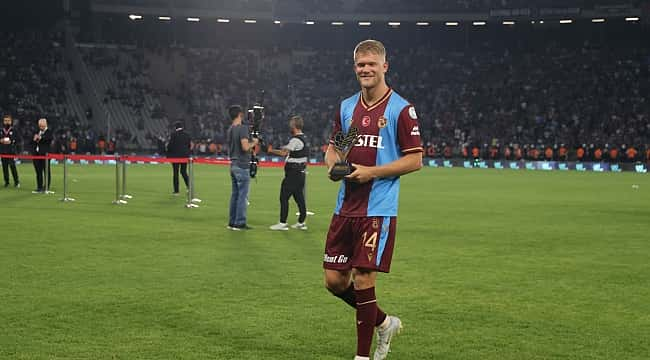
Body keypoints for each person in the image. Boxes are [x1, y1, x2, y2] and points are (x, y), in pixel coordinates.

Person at [323, 40, 423, 360]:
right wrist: (334, 167)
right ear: (355, 69)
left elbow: (415, 159)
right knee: (335, 282)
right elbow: (337, 148)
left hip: (377, 209)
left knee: (364, 278)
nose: (366, 69)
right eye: (360, 65)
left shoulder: (400, 109)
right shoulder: (349, 108)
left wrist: (373, 173)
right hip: (345, 207)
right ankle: (383, 322)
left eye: (371, 64)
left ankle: (363, 356)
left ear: (384, 66)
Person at [268, 115, 309, 231]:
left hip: (293, 173)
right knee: (299, 197)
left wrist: (271, 151)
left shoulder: (295, 140)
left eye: (291, 124)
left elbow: (283, 153)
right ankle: (301, 222)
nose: (289, 126)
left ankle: (282, 223)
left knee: (284, 197)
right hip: (301, 173)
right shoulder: (304, 138)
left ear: (294, 126)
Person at [226, 105, 258, 231]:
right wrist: (254, 142)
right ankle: (239, 222)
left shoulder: (230, 129)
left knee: (235, 195)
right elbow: (245, 147)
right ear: (240, 114)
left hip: (233, 164)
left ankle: (232, 222)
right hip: (242, 165)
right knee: (242, 195)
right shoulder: (243, 129)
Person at [166, 121, 191, 195]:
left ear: (175, 127)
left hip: (175, 157)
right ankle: (189, 187)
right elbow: (188, 146)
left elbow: (170, 145)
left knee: (175, 173)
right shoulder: (187, 135)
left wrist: (168, 153)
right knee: (183, 172)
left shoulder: (173, 135)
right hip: (184, 156)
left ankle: (176, 191)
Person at [32, 118, 53, 193]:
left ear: (46, 124)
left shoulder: (49, 132)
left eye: (42, 126)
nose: (41, 127)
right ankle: (39, 187)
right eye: (40, 126)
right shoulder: (36, 131)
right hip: (36, 154)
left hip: (45, 155)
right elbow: (31, 141)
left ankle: (46, 186)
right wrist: (33, 139)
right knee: (38, 171)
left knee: (46, 171)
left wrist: (40, 137)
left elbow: (49, 139)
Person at [1, 114, 20, 188]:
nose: (7, 122)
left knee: (12, 166)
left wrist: (12, 141)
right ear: (3, 121)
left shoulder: (14, 130)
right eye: (5, 121)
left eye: (8, 121)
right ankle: (7, 182)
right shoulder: (1, 130)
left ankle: (16, 182)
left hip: (11, 151)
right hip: (2, 152)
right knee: (4, 167)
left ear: (11, 121)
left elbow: (18, 140)